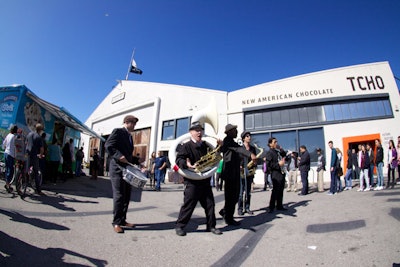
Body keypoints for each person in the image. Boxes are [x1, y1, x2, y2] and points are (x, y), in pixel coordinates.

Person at [174, 122, 222, 236]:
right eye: (196, 130)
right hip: (192, 181)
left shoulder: (206, 145)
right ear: (191, 132)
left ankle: (211, 226)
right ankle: (180, 226)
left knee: (210, 205)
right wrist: (186, 164)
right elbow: (179, 160)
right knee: (189, 205)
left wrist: (220, 146)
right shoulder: (186, 146)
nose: (199, 132)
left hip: (204, 180)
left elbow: (215, 157)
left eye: (201, 130)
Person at [105, 114, 138, 234]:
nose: (134, 126)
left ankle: (123, 220)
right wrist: (119, 156)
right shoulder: (118, 131)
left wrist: (138, 162)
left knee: (126, 195)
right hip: (117, 169)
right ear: (126, 122)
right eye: (133, 123)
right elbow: (108, 146)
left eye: (135, 124)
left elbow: (128, 155)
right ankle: (116, 223)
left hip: (127, 169)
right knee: (119, 196)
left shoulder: (129, 136)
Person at [219, 124, 256, 225]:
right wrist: (250, 154)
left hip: (234, 173)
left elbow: (236, 151)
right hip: (229, 174)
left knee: (234, 196)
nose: (236, 132)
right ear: (229, 132)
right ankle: (229, 218)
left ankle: (225, 212)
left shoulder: (230, 142)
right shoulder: (228, 141)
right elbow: (238, 149)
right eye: (235, 130)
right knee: (231, 196)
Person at [237, 131, 257, 216]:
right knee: (241, 193)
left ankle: (247, 208)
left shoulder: (252, 148)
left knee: (248, 192)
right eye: (247, 136)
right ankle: (240, 209)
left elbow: (255, 159)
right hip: (241, 171)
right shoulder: (240, 148)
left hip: (249, 171)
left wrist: (255, 162)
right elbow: (236, 160)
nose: (249, 137)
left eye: (249, 136)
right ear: (243, 138)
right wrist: (239, 166)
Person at [265, 137, 286, 212]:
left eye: (276, 142)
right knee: (275, 190)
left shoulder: (277, 151)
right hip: (275, 173)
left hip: (281, 172)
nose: (276, 143)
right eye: (274, 142)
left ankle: (279, 205)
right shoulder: (269, 153)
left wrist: (281, 148)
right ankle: (271, 206)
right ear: (270, 144)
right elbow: (269, 164)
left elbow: (284, 155)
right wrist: (278, 164)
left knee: (281, 189)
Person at [26, 123, 45, 195]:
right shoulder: (39, 137)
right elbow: (41, 149)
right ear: (40, 130)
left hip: (27, 154)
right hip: (34, 156)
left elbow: (26, 143)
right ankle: (38, 190)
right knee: (36, 172)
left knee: (26, 169)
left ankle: (22, 181)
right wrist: (40, 155)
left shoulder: (29, 134)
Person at [2, 125, 18, 193]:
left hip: (6, 153)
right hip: (11, 154)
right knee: (10, 170)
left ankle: (7, 183)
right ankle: (7, 184)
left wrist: (6, 148)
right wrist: (16, 156)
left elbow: (4, 144)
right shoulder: (14, 137)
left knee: (7, 168)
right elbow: (15, 147)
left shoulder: (8, 135)